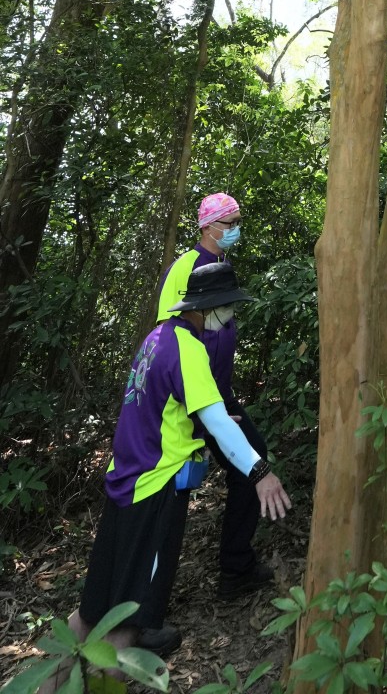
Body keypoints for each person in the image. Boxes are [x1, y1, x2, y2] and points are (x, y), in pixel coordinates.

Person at [43, 262, 290, 689]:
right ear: (210, 307)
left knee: (90, 611)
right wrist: (260, 471)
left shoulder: (157, 338)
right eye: (227, 306)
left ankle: (42, 685)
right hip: (155, 492)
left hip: (123, 485)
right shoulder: (189, 348)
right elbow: (217, 422)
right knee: (129, 623)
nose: (229, 314)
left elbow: (162, 409)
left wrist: (204, 421)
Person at [156, 192, 272, 600]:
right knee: (173, 493)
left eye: (239, 220)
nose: (235, 229)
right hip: (189, 402)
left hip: (218, 398)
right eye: (230, 222)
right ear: (207, 226)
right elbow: (168, 338)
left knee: (249, 467)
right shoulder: (187, 268)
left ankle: (235, 569)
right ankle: (149, 598)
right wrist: (200, 409)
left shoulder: (222, 265)